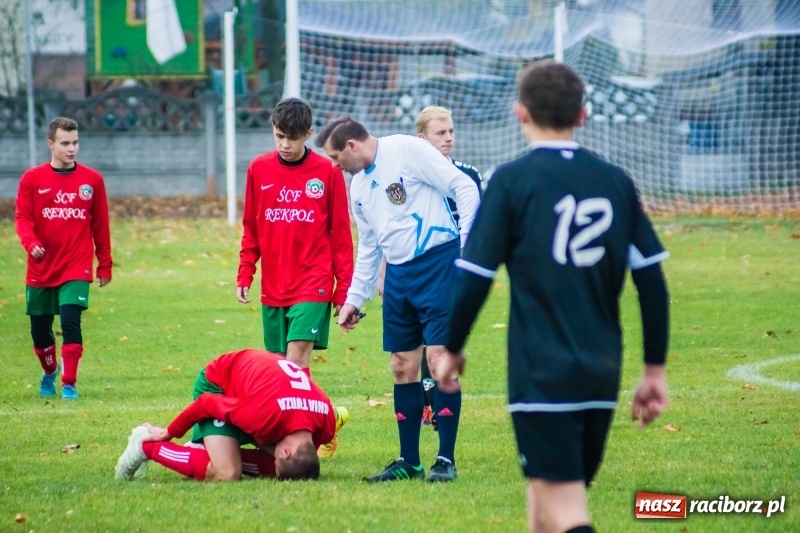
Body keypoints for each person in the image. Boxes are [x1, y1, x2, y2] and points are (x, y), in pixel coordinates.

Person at [434, 61, 670, 533]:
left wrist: (452, 348)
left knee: (567, 513)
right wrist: (653, 371)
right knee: (546, 500)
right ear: (583, 114)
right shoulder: (615, 181)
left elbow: (476, 275)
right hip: (602, 372)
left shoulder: (512, 181)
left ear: (521, 113)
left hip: (542, 372)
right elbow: (651, 281)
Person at [315, 117, 480, 483]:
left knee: (439, 362)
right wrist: (354, 299)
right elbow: (370, 247)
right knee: (401, 366)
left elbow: (464, 188)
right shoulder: (358, 187)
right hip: (400, 278)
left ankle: (445, 460)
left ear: (353, 146)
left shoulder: (407, 150)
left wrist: (468, 252)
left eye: (335, 156)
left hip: (439, 264)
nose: (333, 165)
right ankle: (409, 461)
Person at [236, 97, 353, 457]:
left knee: (295, 364)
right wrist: (245, 271)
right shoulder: (258, 169)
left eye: (291, 137)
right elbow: (251, 227)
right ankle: (326, 420)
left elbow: (340, 235)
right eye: (278, 136)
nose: (284, 144)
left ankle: (298, 441)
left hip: (313, 283)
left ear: (308, 134)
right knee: (278, 371)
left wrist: (343, 291)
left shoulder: (327, 172)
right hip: (274, 285)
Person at [377, 106, 484, 428]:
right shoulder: (409, 177)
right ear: (422, 139)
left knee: (441, 343)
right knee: (415, 346)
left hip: (453, 268)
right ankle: (427, 407)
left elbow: (478, 223)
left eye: (451, 131)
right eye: (441, 133)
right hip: (414, 271)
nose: (449, 138)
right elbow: (395, 227)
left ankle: (440, 404)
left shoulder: (467, 176)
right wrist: (383, 271)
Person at [114, 349, 344, 482]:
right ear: (286, 452)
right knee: (227, 472)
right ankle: (143, 444)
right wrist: (168, 432)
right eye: (278, 459)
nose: (275, 459)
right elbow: (206, 404)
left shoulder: (326, 425)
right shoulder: (261, 414)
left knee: (276, 470)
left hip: (255, 396)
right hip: (218, 384)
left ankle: (204, 451)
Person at [14, 116, 112, 401]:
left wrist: (104, 263)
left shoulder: (92, 180)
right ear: (51, 144)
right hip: (42, 266)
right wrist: (31, 243)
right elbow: (23, 219)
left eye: (75, 142)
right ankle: (50, 371)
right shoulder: (32, 179)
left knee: (70, 322)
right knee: (40, 331)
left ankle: (69, 383)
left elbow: (100, 226)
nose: (72, 149)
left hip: (76, 264)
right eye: (65, 143)